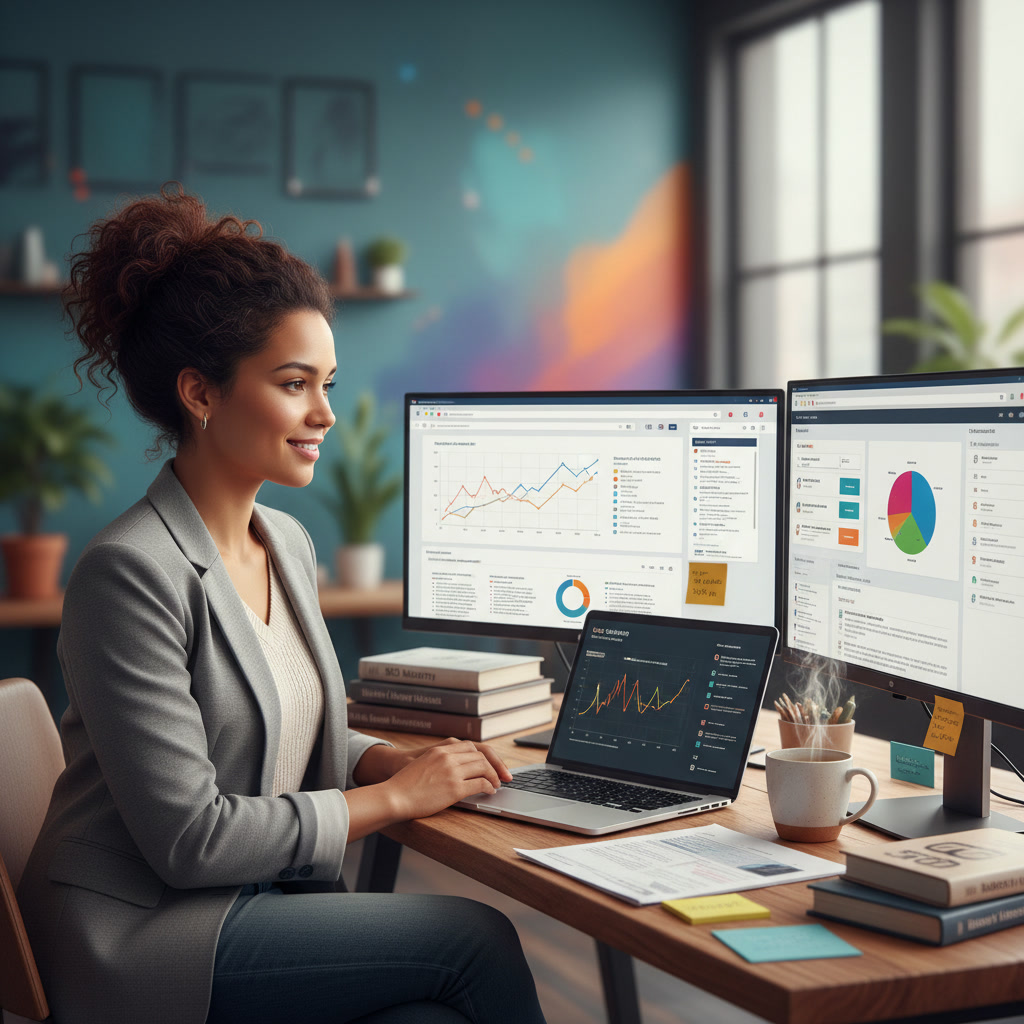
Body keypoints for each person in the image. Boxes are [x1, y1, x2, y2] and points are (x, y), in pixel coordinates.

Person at [17, 184, 546, 1024]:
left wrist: (386, 762)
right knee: (474, 940)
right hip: (139, 928)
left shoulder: (288, 543)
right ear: (201, 393)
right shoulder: (128, 573)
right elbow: (192, 839)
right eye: (295, 383)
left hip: (254, 899)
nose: (325, 414)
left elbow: (298, 719)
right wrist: (396, 800)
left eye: (328, 383)